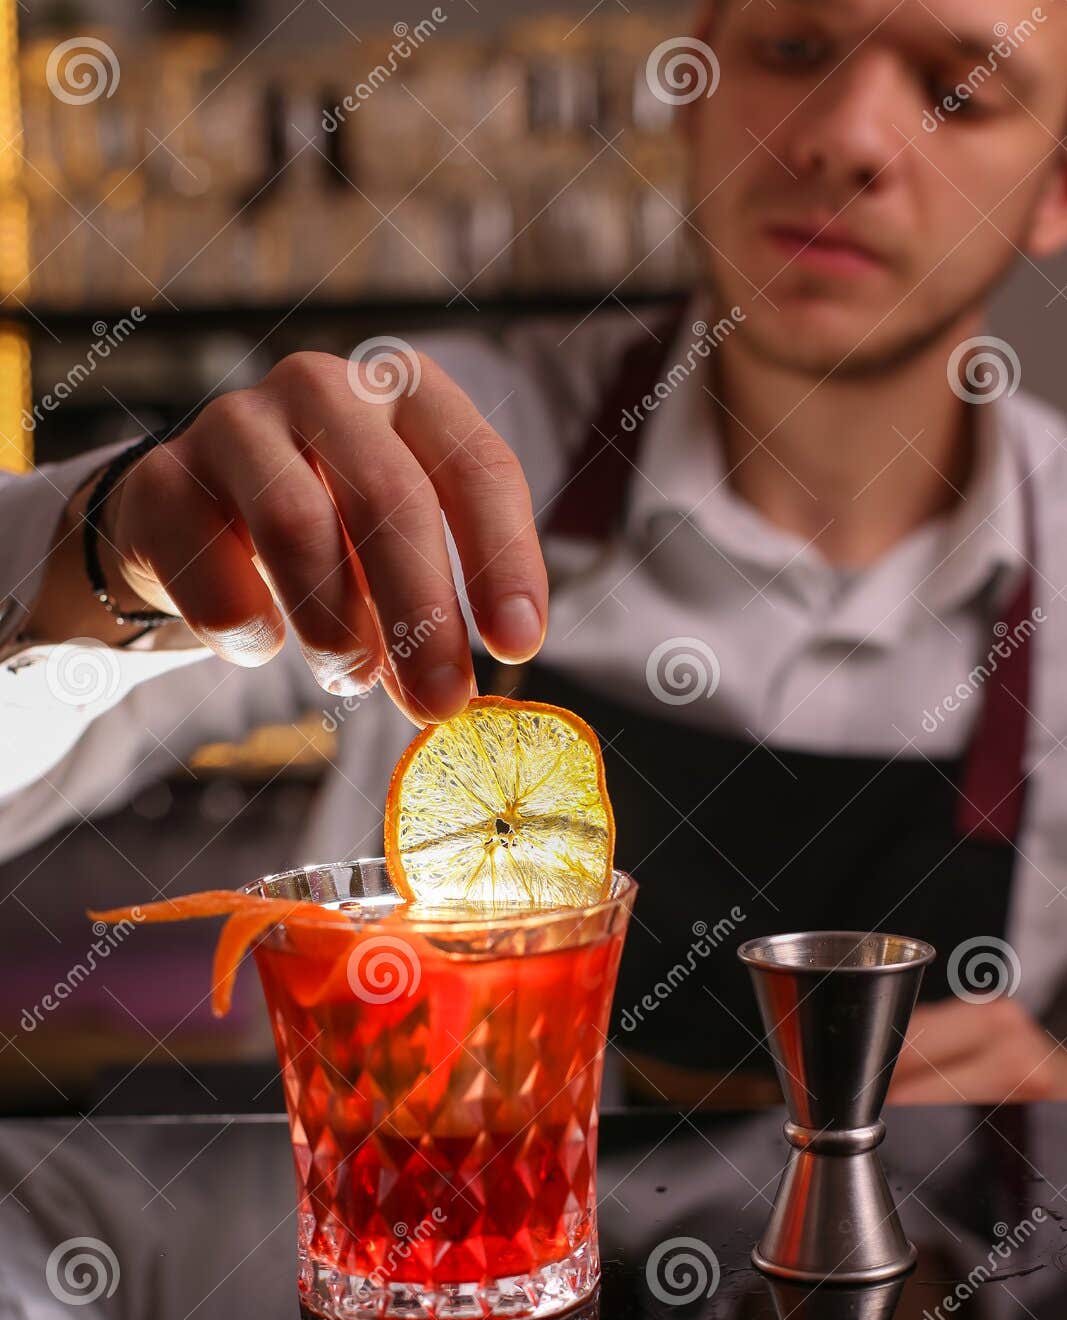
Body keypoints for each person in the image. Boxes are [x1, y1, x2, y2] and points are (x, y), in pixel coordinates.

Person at [3, 0, 1067, 1108]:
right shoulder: (433, 448)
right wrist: (94, 559)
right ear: (695, 87)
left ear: (1055, 186)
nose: (844, 136)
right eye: (791, 50)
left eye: (961, 88)